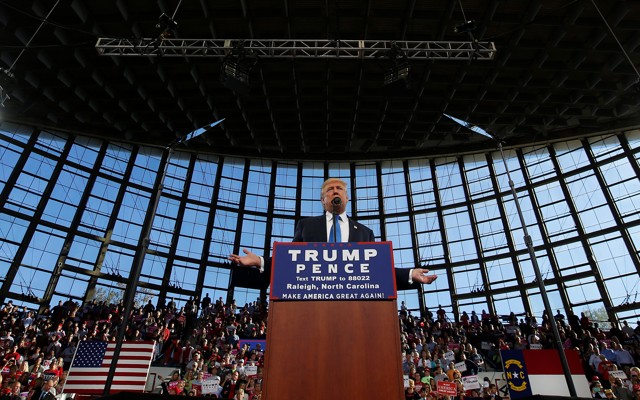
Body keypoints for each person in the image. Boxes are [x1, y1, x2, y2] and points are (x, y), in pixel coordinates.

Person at [229, 178, 438, 290]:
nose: (335, 191)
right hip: (312, 299)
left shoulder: (365, 233)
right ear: (322, 200)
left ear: (347, 198)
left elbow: (376, 271)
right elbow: (291, 263)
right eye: (330, 190)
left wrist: (410, 274)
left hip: (354, 303)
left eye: (339, 188)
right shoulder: (306, 226)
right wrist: (260, 261)